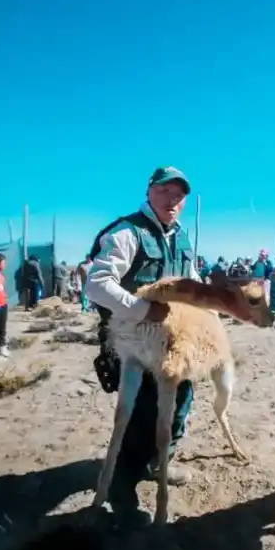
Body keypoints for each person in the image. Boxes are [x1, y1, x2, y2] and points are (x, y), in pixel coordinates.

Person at [84, 166, 200, 531]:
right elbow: (97, 284)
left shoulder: (181, 237)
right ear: (150, 192)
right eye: (165, 191)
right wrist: (143, 310)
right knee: (140, 414)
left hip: (172, 343)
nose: (173, 200)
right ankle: (122, 491)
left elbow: (191, 281)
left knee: (181, 401)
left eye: (179, 195)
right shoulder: (126, 232)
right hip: (133, 343)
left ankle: (157, 462)